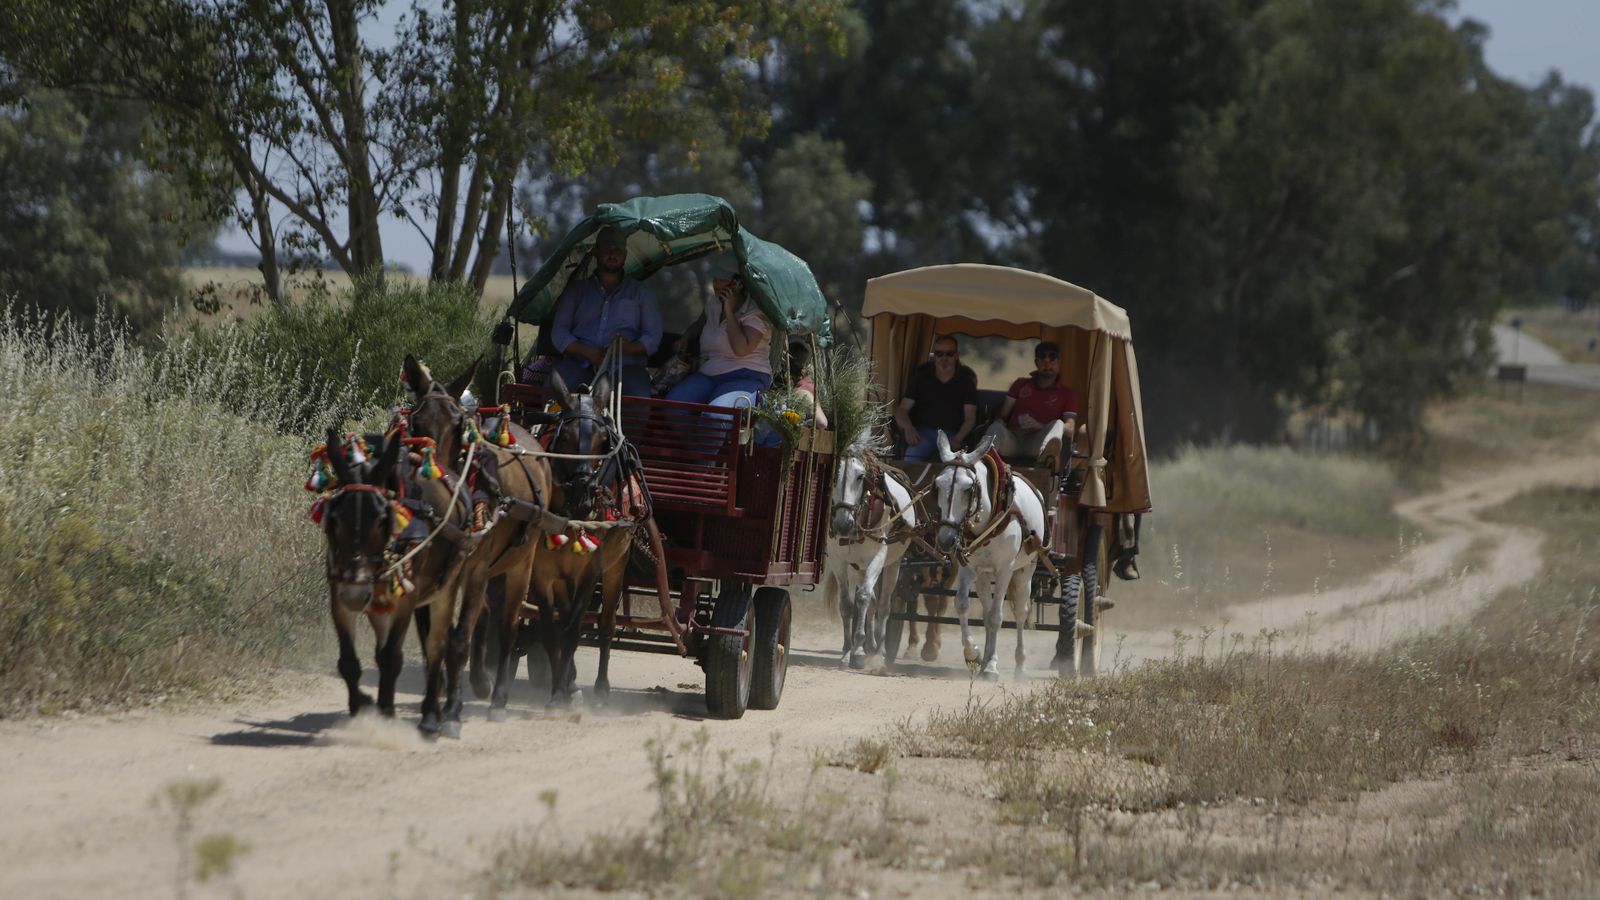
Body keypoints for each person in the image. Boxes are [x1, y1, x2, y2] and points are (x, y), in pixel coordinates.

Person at [550, 225, 662, 396]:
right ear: (597, 252)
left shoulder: (642, 293)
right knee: (552, 392)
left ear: (625, 255)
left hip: (627, 368)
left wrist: (628, 348)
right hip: (580, 364)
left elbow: (653, 337)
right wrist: (588, 352)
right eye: (607, 248)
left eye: (618, 250)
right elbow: (559, 332)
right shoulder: (576, 290)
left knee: (640, 396)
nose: (612, 254)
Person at [665, 250, 772, 408]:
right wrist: (686, 337)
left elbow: (741, 349)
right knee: (672, 406)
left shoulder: (756, 312)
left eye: (721, 280)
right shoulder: (714, 304)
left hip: (745, 375)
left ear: (738, 283)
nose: (715, 284)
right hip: (709, 373)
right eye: (714, 278)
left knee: (716, 414)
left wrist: (729, 311)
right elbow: (699, 324)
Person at [983, 340, 1076, 468]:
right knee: (995, 427)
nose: (1047, 362)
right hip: (1013, 439)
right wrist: (999, 420)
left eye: (1052, 357)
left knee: (1059, 424)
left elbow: (1070, 428)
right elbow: (1002, 414)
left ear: (1059, 362)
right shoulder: (1020, 384)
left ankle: (1045, 460)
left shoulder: (1067, 394)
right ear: (1036, 363)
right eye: (1042, 357)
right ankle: (981, 461)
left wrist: (1041, 426)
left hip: (1038, 441)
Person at [894, 335, 978, 461]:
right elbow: (902, 409)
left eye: (949, 354)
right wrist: (908, 428)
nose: (944, 358)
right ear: (935, 355)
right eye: (939, 354)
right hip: (924, 434)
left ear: (957, 355)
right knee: (910, 460)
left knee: (954, 469)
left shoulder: (966, 382)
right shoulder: (920, 378)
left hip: (953, 435)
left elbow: (970, 418)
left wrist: (958, 439)